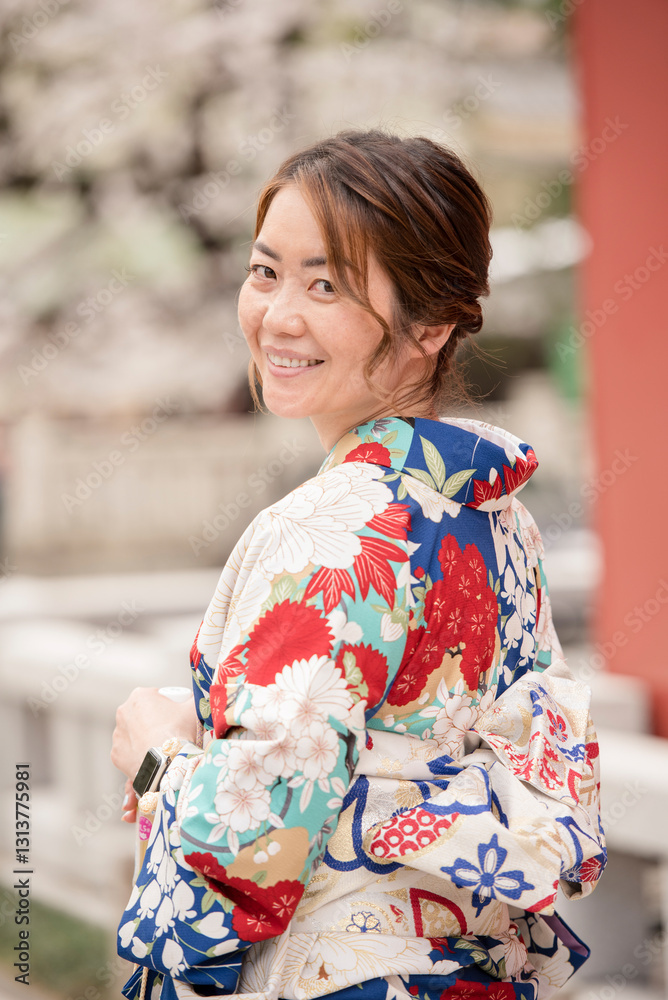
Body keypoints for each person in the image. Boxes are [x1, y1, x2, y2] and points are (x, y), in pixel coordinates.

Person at [111, 129, 606, 1000]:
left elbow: (248, 850)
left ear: (432, 325)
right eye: (266, 273)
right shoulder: (499, 518)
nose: (278, 315)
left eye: (326, 284)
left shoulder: (330, 530)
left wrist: (158, 758)